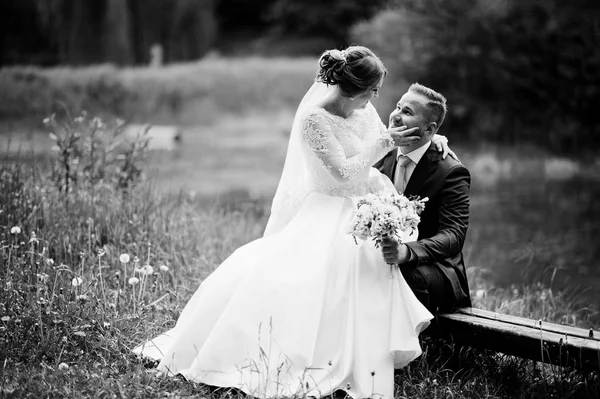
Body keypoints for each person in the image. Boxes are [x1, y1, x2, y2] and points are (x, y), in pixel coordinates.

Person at [134, 46, 454, 399]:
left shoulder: (363, 110)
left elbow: (388, 139)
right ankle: (311, 358)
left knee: (369, 275)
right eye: (373, 89)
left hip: (364, 208)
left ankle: (373, 352)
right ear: (356, 88)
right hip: (328, 209)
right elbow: (343, 173)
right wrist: (384, 141)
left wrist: (430, 136)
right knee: (312, 283)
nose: (377, 96)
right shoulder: (314, 119)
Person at [376, 83, 472, 314]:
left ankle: (418, 349)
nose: (396, 115)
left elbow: (453, 235)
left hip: (433, 268)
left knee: (403, 273)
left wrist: (407, 252)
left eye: (407, 112)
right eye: (398, 107)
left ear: (429, 130)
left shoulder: (450, 171)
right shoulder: (378, 156)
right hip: (381, 256)